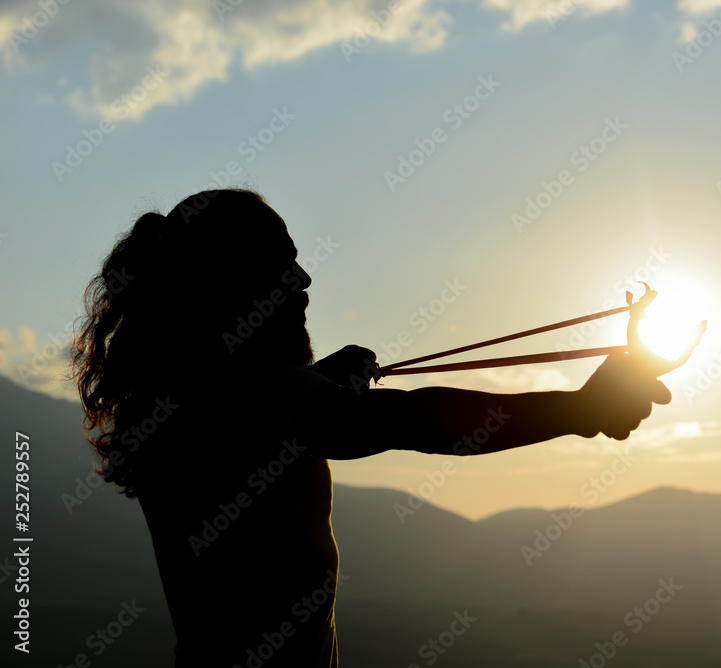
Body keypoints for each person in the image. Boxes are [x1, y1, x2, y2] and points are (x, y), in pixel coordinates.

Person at [73, 189, 685, 667]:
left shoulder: (188, 393)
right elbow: (412, 420)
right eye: (282, 267)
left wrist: (325, 378)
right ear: (234, 288)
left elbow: (273, 429)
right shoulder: (257, 392)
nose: (304, 282)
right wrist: (580, 409)